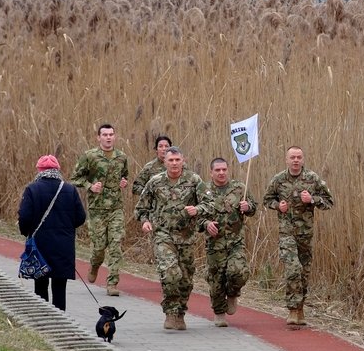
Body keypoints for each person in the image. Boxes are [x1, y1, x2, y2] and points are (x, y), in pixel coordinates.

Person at [134, 147, 205, 330]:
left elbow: (209, 202)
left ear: (183, 161)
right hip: (163, 235)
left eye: (177, 160)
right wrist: (144, 221)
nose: (174, 163)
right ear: (164, 162)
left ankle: (181, 312)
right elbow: (141, 208)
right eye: (170, 160)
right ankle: (170, 312)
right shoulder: (155, 182)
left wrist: (198, 209)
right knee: (170, 273)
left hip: (186, 237)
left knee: (185, 279)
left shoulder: (194, 181)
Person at [263, 146, 333, 326]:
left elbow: (329, 202)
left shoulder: (313, 179)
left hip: (305, 234)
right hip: (287, 233)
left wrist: (312, 200)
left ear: (303, 160)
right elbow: (267, 200)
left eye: (299, 157)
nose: (295, 160)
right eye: (292, 157)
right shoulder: (278, 180)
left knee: (303, 272)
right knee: (292, 268)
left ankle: (300, 307)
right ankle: (293, 309)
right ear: (287, 160)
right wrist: (278, 206)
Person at [18, 155, 86, 311]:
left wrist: (26, 233)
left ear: (39, 170)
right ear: (57, 170)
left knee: (40, 285)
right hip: (64, 246)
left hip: (40, 245)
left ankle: (43, 318)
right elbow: (81, 217)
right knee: (59, 286)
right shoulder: (70, 189)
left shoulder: (32, 189)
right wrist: (67, 228)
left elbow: (25, 216)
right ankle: (61, 318)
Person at [70, 123, 129, 297]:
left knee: (116, 245)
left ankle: (112, 283)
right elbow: (74, 179)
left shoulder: (121, 157)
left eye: (111, 134)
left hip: (116, 208)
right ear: (99, 137)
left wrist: (123, 182)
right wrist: (90, 185)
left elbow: (124, 174)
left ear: (115, 136)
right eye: (105, 134)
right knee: (99, 248)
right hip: (97, 210)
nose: (108, 137)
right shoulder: (90, 156)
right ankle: (95, 265)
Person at [198, 157, 256, 327]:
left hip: (235, 241)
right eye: (217, 170)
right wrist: (206, 224)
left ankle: (233, 292)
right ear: (211, 172)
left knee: (238, 272)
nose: (221, 173)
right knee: (216, 279)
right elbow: (196, 217)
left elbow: (253, 207)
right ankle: (219, 312)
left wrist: (248, 207)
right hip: (214, 244)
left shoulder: (239, 188)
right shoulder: (203, 191)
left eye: (224, 169)